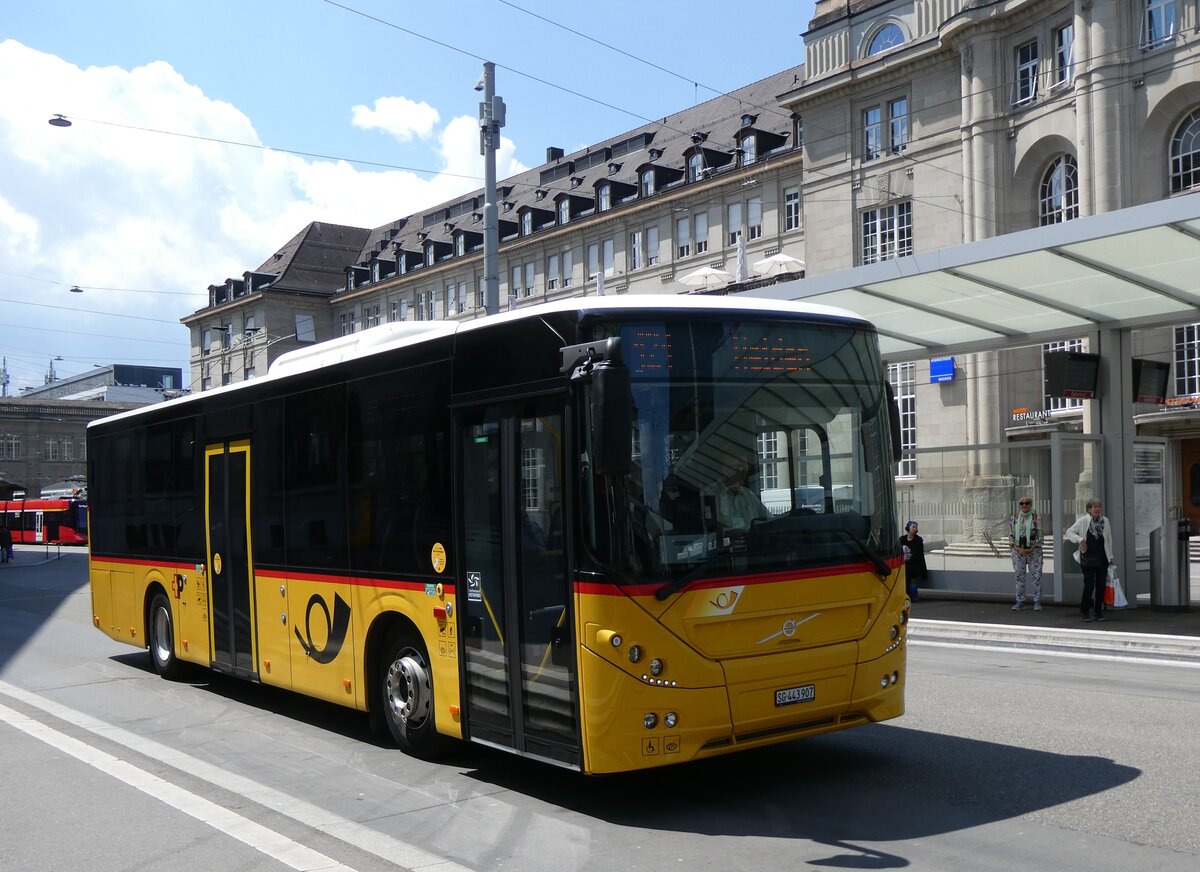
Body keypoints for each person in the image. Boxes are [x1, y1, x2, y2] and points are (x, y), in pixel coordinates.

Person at [1064, 497, 1115, 622]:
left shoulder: (1105, 521)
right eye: (1094, 507)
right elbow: (1069, 532)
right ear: (1089, 509)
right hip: (1088, 558)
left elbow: (1108, 539)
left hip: (1102, 558)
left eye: (1098, 506)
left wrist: (1111, 557)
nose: (1097, 509)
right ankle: (1085, 612)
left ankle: (1098, 612)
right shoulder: (1083, 521)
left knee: (1101, 585)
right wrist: (1080, 540)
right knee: (1089, 585)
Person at [714, 451, 769, 533]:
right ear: (724, 469)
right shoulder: (711, 494)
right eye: (737, 467)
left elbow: (769, 519)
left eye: (745, 468)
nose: (742, 472)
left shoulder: (749, 495)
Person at [1010, 497, 1043, 611]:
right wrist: (1017, 548)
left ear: (1031, 504)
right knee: (1019, 577)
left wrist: (1031, 549)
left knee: (1036, 576)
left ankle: (1037, 601)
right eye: (1022, 503)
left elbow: (1040, 536)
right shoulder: (1014, 518)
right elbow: (1011, 535)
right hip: (1018, 551)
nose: (1024, 505)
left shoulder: (1036, 518)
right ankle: (1020, 601)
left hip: (1034, 552)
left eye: (1027, 503)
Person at [898, 521, 927, 600]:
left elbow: (917, 555)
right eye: (913, 527)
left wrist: (908, 558)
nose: (915, 529)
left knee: (911, 575)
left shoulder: (918, 540)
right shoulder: (902, 539)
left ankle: (912, 597)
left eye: (916, 527)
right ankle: (905, 595)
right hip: (905, 564)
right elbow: (897, 550)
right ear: (908, 528)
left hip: (914, 565)